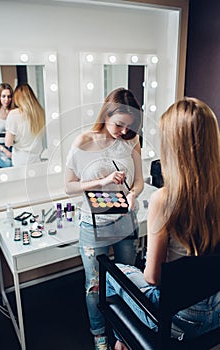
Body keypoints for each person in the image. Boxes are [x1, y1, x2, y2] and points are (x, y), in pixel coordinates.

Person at [106, 97, 220, 350]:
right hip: (216, 312)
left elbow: (154, 277)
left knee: (115, 272)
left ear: (174, 147)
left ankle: (121, 340)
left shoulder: (164, 200)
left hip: (180, 320)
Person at [64, 87, 144, 350]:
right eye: (119, 124)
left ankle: (124, 333)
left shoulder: (131, 141)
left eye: (128, 127)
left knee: (128, 279)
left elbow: (140, 181)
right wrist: (102, 180)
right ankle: (99, 334)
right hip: (92, 224)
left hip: (124, 221)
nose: (123, 132)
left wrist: (133, 194)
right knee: (94, 285)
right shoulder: (82, 142)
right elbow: (70, 186)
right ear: (106, 114)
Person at [5, 83, 45, 167]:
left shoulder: (13, 114)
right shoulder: (40, 112)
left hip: (20, 161)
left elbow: (8, 143)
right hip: (37, 160)